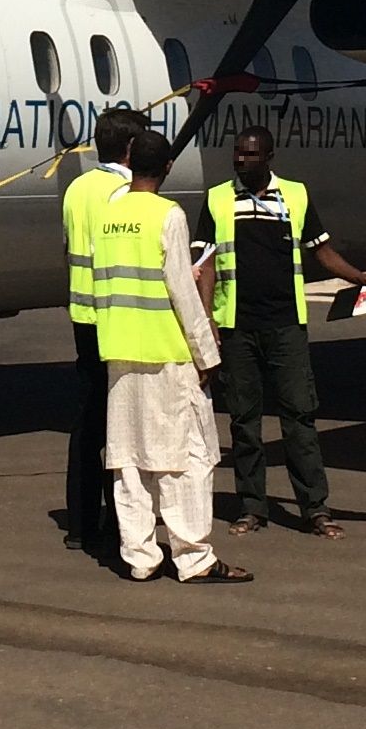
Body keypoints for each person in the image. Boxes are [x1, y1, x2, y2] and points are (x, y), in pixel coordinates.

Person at [87, 129, 246, 585]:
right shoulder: (168, 215)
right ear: (169, 167)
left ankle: (139, 556)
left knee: (128, 457)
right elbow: (181, 287)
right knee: (186, 457)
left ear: (130, 160)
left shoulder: (108, 214)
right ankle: (193, 557)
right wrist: (207, 353)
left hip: (119, 351)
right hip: (166, 353)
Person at [203, 125, 366, 537]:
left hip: (285, 327)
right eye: (237, 155)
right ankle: (252, 508)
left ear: (269, 157)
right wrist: (207, 319)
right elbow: (205, 264)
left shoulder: (294, 196)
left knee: (299, 418)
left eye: (249, 155)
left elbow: (323, 251)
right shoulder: (217, 199)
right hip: (238, 327)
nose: (241, 162)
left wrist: (361, 277)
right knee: (244, 422)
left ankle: (315, 509)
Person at [59, 104, 144, 567]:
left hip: (82, 314)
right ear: (132, 148)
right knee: (122, 427)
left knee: (87, 422)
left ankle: (79, 523)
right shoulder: (124, 192)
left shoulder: (77, 188)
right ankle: (118, 523)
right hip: (119, 318)